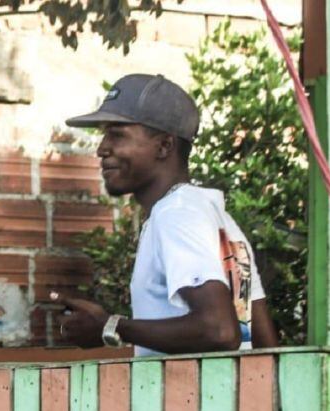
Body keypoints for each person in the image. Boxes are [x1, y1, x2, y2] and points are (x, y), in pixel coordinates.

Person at [55, 73, 280, 355]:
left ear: (164, 146)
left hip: (197, 387)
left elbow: (219, 331)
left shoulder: (175, 213)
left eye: (117, 134)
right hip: (240, 385)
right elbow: (267, 351)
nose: (102, 149)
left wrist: (110, 327)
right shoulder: (217, 219)